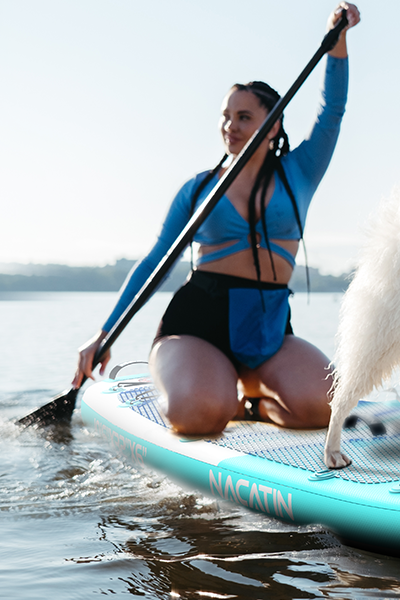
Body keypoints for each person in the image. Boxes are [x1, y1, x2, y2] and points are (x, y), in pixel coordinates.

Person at [73, 3, 360, 435]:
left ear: (274, 122)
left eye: (244, 117)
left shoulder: (300, 172)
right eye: (226, 116)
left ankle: (253, 404)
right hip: (198, 323)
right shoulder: (199, 189)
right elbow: (155, 263)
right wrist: (104, 333)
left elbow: (331, 111)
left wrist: (336, 45)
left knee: (326, 408)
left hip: (267, 327)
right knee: (202, 416)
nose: (231, 126)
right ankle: (197, 386)